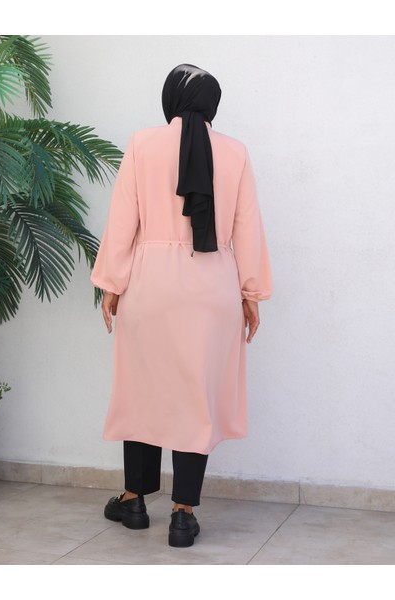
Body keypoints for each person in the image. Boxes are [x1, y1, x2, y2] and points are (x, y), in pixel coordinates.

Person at [90, 63, 273, 548]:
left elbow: (123, 221)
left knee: (142, 389)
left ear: (170, 98)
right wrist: (251, 293)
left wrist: (111, 284)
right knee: (197, 399)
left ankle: (134, 500)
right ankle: (183, 514)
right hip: (213, 287)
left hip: (150, 285)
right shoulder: (235, 152)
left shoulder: (142, 144)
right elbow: (248, 227)